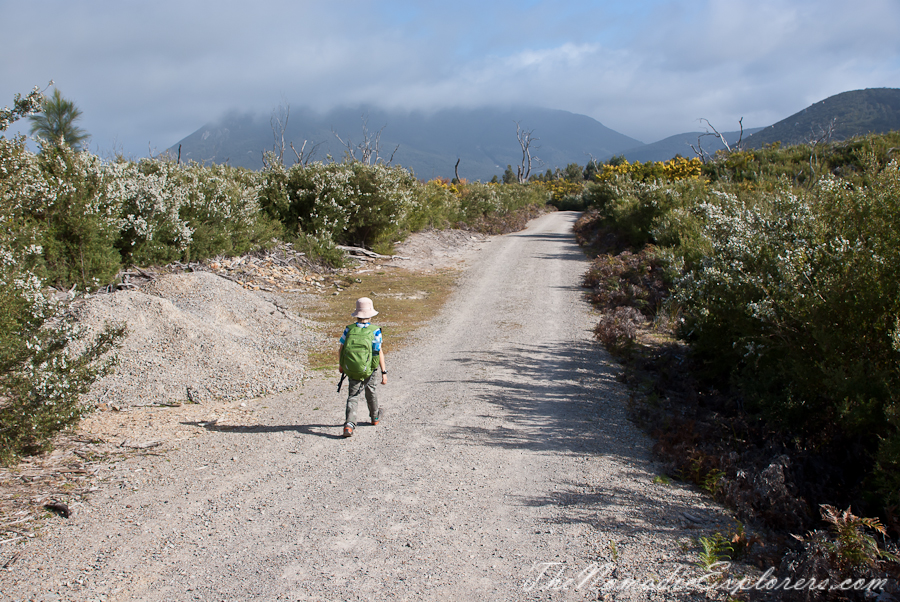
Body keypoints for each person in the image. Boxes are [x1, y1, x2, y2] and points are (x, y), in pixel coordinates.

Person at [338, 297, 387, 437]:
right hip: (369, 369)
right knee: (370, 391)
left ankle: (349, 424)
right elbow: (378, 351)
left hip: (352, 369)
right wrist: (384, 372)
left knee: (352, 396)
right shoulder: (375, 331)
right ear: (370, 314)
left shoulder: (349, 329)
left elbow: (341, 348)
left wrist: (341, 365)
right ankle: (375, 417)